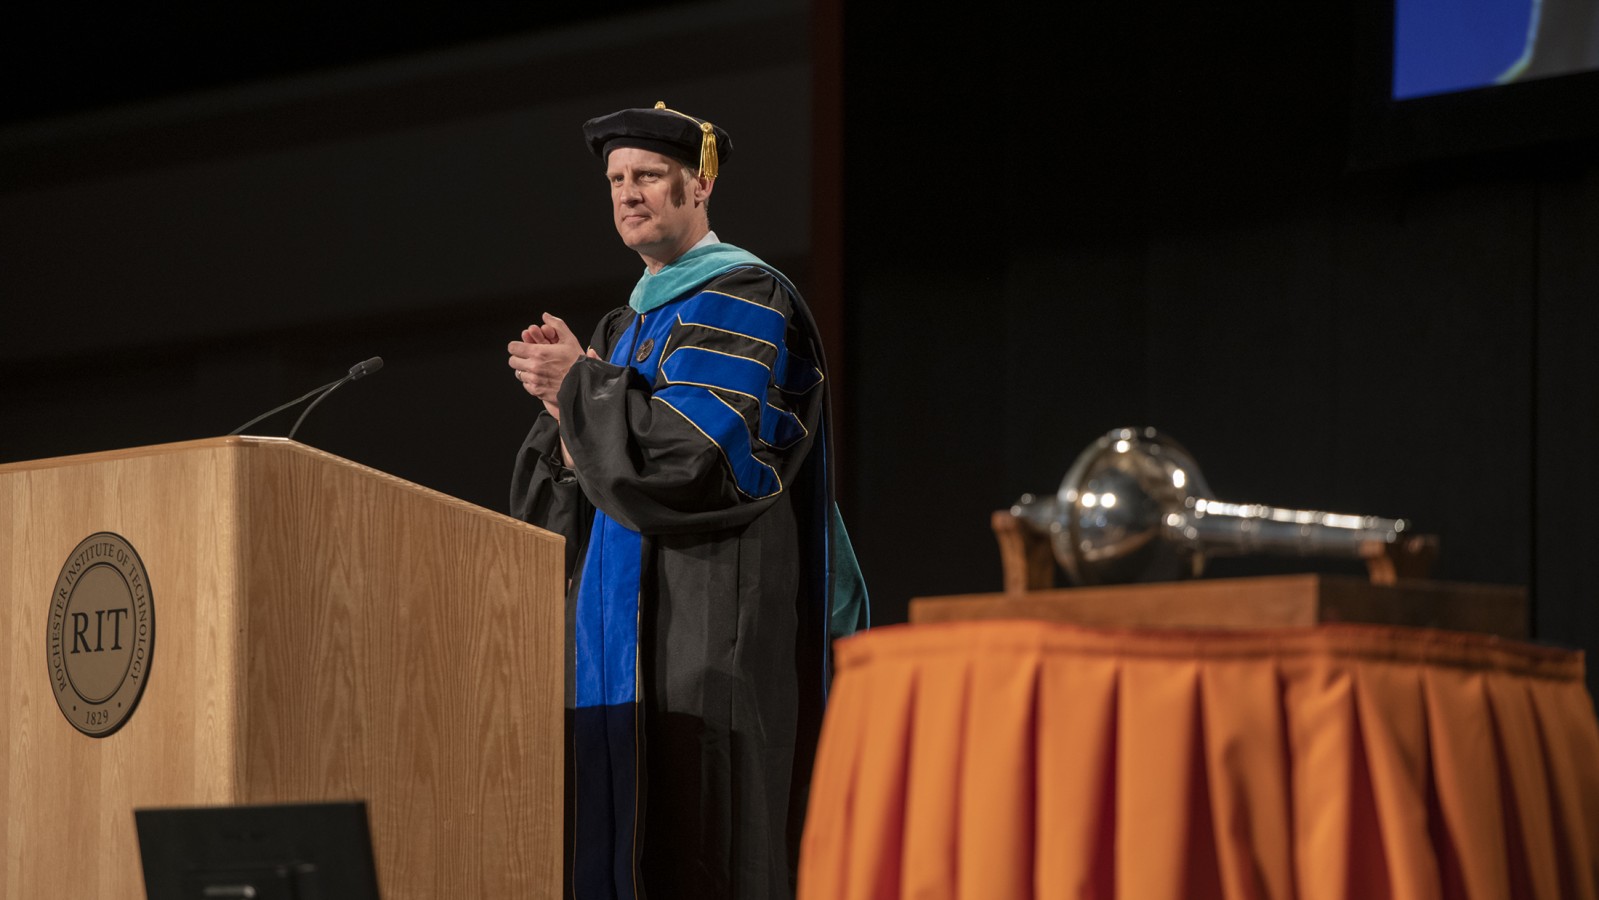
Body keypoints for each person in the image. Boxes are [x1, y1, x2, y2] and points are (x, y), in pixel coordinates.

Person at [507, 101, 867, 900]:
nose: (627, 193)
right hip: (607, 650)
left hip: (701, 627)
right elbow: (561, 497)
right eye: (615, 180)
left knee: (701, 846)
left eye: (647, 176)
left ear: (697, 184)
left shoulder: (742, 296)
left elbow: (696, 459)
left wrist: (582, 394)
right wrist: (567, 413)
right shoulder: (620, 326)